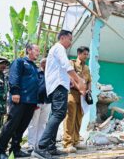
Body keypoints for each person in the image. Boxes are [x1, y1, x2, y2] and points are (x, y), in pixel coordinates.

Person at [33, 30, 86, 159]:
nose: (70, 43)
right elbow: (67, 66)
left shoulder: (57, 49)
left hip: (57, 86)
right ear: (62, 38)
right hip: (58, 87)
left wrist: (72, 82)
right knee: (59, 114)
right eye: (69, 39)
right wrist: (79, 81)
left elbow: (63, 70)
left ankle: (50, 147)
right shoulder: (59, 48)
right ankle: (41, 147)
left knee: (55, 115)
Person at [0, 44, 40, 159]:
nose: (38, 53)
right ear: (29, 50)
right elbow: (14, 76)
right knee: (11, 125)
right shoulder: (20, 62)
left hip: (31, 101)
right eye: (36, 50)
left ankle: (15, 150)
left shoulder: (34, 66)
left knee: (22, 126)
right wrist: (15, 91)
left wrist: (36, 101)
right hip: (19, 99)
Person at [63, 46, 91, 153]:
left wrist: (87, 89)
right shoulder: (72, 63)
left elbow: (89, 80)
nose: (86, 56)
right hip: (73, 94)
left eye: (87, 54)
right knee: (70, 118)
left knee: (79, 118)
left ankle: (76, 141)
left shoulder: (87, 68)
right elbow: (70, 78)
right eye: (84, 54)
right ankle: (67, 143)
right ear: (79, 54)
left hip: (83, 96)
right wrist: (79, 88)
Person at [27, 58, 51, 153]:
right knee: (33, 124)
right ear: (41, 64)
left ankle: (39, 145)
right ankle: (31, 145)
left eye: (47, 63)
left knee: (43, 123)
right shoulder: (36, 73)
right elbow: (33, 88)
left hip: (47, 102)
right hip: (37, 102)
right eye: (44, 63)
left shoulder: (51, 74)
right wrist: (34, 102)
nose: (46, 65)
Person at [0, 57, 10, 134]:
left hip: (0, 108)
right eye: (2, 63)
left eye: (5, 64)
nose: (4, 66)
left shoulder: (5, 77)